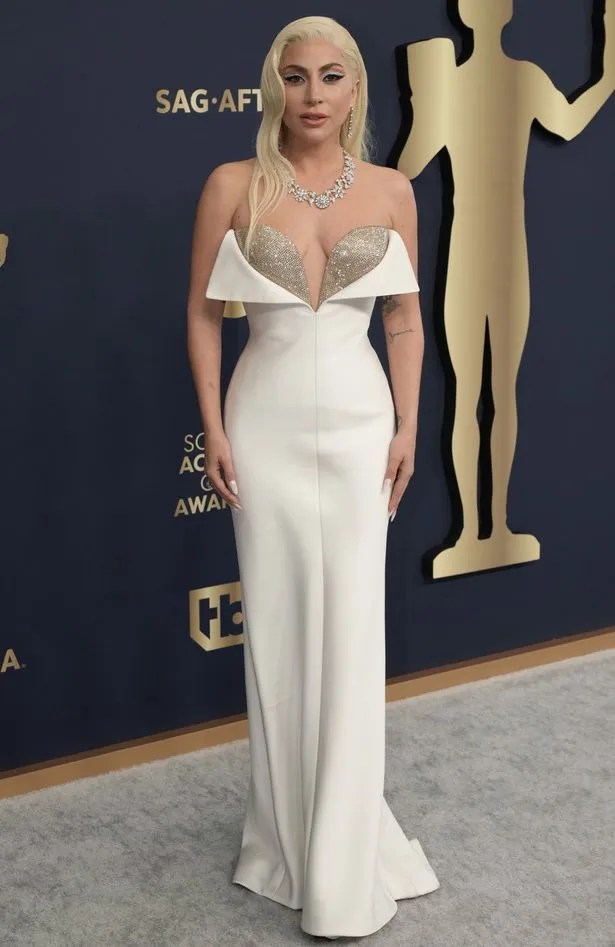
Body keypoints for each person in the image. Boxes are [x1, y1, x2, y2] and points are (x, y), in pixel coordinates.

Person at [187, 14, 440, 940]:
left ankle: (342, 851)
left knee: (354, 631)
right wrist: (213, 427)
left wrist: (409, 423)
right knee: (279, 630)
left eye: (331, 76)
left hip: (365, 427)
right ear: (274, 86)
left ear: (355, 88)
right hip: (265, 426)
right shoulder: (232, 185)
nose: (313, 95)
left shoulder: (391, 189)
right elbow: (203, 315)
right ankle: (284, 838)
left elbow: (403, 320)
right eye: (295, 77)